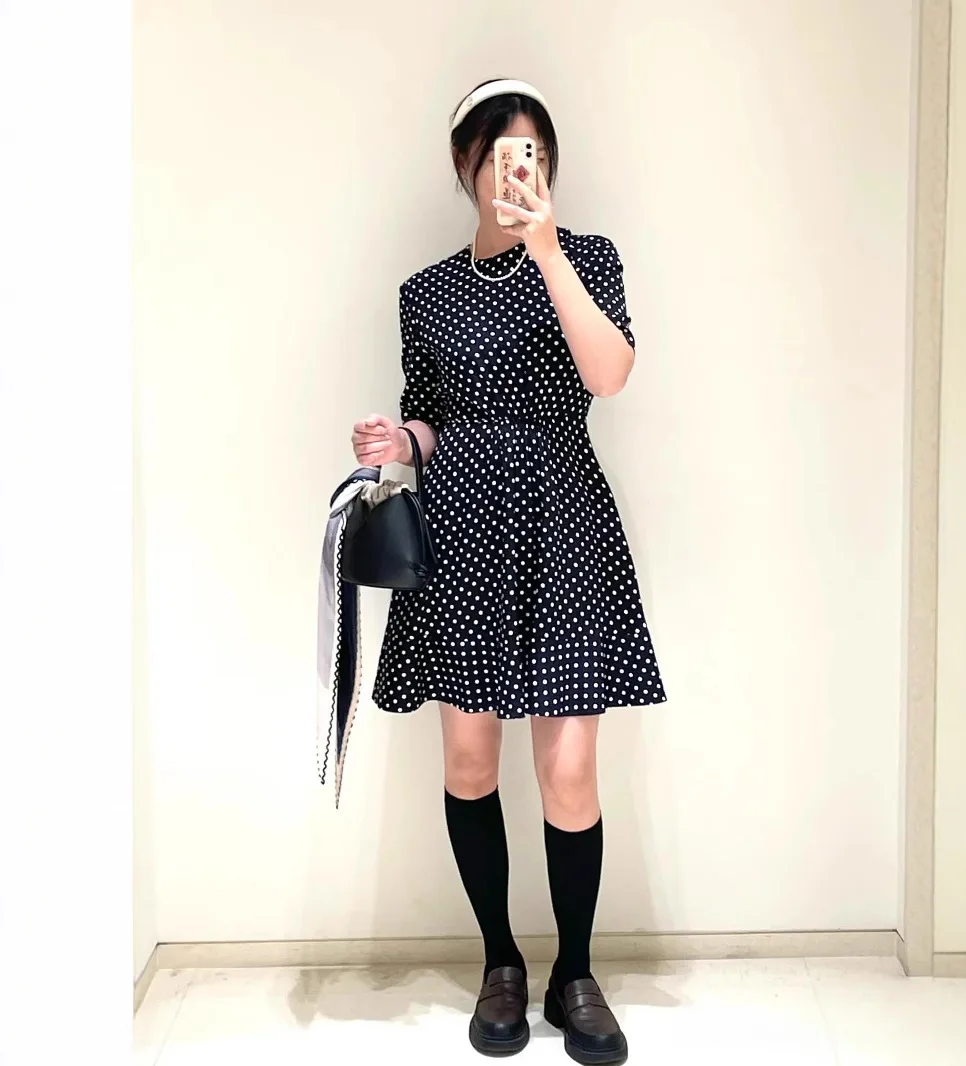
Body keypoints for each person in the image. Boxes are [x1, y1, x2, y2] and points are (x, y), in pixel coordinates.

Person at [352, 78, 666, 1065]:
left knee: (569, 774)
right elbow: (431, 416)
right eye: (498, 156)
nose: (515, 172)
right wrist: (398, 439)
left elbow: (609, 373)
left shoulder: (588, 259)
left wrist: (547, 249)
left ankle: (575, 972)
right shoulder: (424, 294)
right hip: (462, 534)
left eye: (530, 155)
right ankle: (500, 961)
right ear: (465, 164)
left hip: (564, 524)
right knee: (469, 763)